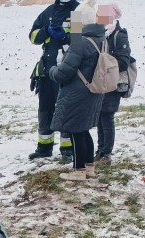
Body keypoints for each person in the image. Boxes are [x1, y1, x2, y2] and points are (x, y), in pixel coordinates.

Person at [48, 6, 105, 181]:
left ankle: (78, 170)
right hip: (92, 91)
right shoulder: (100, 38)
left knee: (74, 130)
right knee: (83, 129)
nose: (72, 25)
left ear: (81, 22)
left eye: (74, 21)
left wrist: (52, 69)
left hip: (77, 93)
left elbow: (64, 72)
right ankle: (89, 167)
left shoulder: (80, 42)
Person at [29, 0, 79, 161]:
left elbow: (81, 39)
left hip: (65, 69)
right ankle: (44, 147)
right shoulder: (48, 11)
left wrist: (65, 36)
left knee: (64, 108)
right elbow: (33, 36)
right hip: (45, 69)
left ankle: (68, 148)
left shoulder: (77, 11)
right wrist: (46, 30)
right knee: (45, 108)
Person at [94, 3, 132, 165]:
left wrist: (105, 64)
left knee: (107, 117)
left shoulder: (119, 35)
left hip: (115, 84)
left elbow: (124, 61)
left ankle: (106, 154)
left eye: (103, 15)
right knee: (100, 116)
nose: (100, 18)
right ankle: (100, 150)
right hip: (102, 83)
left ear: (112, 16)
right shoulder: (101, 34)